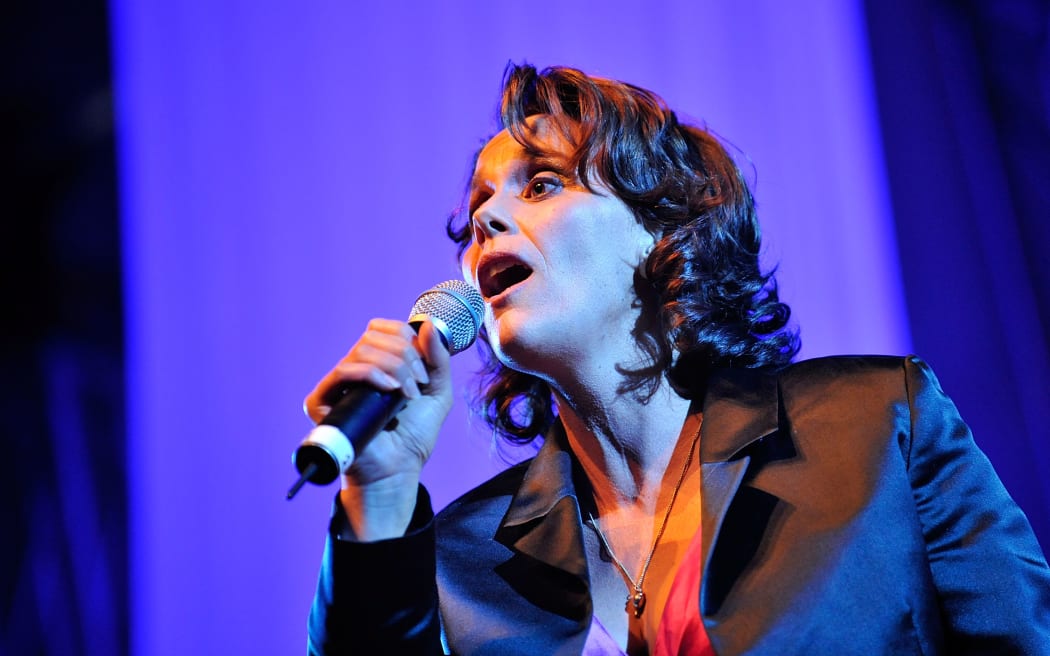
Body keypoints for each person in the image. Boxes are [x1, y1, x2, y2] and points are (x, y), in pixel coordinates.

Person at [304, 64, 1050, 655]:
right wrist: (383, 488)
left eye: (542, 183)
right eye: (475, 214)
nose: (486, 221)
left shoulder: (878, 426)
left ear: (660, 228)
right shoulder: (460, 564)